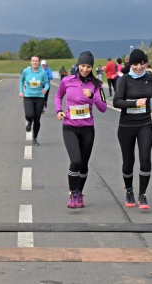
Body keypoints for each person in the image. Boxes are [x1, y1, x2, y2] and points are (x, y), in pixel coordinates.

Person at [55, 51, 107, 208]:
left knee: (84, 164)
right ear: (78, 65)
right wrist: (59, 110)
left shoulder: (97, 85)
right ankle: (73, 193)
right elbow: (58, 96)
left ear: (92, 67)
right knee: (75, 160)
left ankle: (79, 193)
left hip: (87, 129)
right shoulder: (67, 81)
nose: (85, 69)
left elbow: (103, 108)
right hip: (70, 127)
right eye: (83, 66)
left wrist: (92, 96)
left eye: (88, 66)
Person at [113, 49, 152, 210]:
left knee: (145, 158)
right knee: (128, 162)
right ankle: (129, 191)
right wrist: (134, 103)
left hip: (145, 124)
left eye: (141, 64)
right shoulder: (124, 80)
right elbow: (116, 102)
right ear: (130, 64)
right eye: (135, 64)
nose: (138, 67)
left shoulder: (149, 78)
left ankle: (142, 194)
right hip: (126, 126)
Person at [19, 56, 49, 146]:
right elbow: (21, 81)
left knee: (37, 119)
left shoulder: (42, 72)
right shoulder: (26, 71)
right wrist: (21, 91)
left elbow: (47, 83)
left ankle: (35, 138)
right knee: (29, 115)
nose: (35, 63)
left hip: (39, 97)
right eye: (33, 61)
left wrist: (45, 89)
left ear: (39, 62)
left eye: (36, 61)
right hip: (28, 97)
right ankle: (29, 122)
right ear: (31, 62)